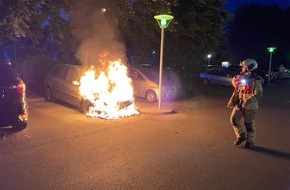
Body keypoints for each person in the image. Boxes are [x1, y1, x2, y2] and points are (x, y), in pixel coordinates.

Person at [227, 58, 263, 149]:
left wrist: (248, 101)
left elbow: (259, 93)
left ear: (249, 67)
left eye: (243, 67)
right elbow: (235, 85)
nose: (242, 68)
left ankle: (250, 141)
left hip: (250, 106)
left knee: (249, 124)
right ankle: (241, 136)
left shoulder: (256, 80)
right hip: (239, 104)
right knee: (234, 119)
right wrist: (235, 79)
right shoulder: (241, 77)